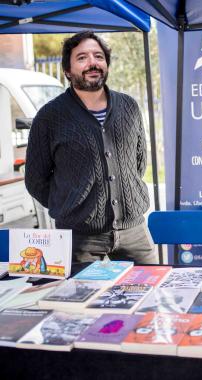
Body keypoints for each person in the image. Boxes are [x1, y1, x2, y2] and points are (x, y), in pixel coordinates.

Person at [25, 31, 158, 265]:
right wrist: (71, 206)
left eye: (98, 56)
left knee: (151, 294)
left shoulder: (129, 106)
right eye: (82, 58)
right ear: (67, 70)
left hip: (134, 231)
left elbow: (138, 161)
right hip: (80, 239)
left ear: (106, 64)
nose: (92, 63)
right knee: (81, 300)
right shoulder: (49, 117)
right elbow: (36, 180)